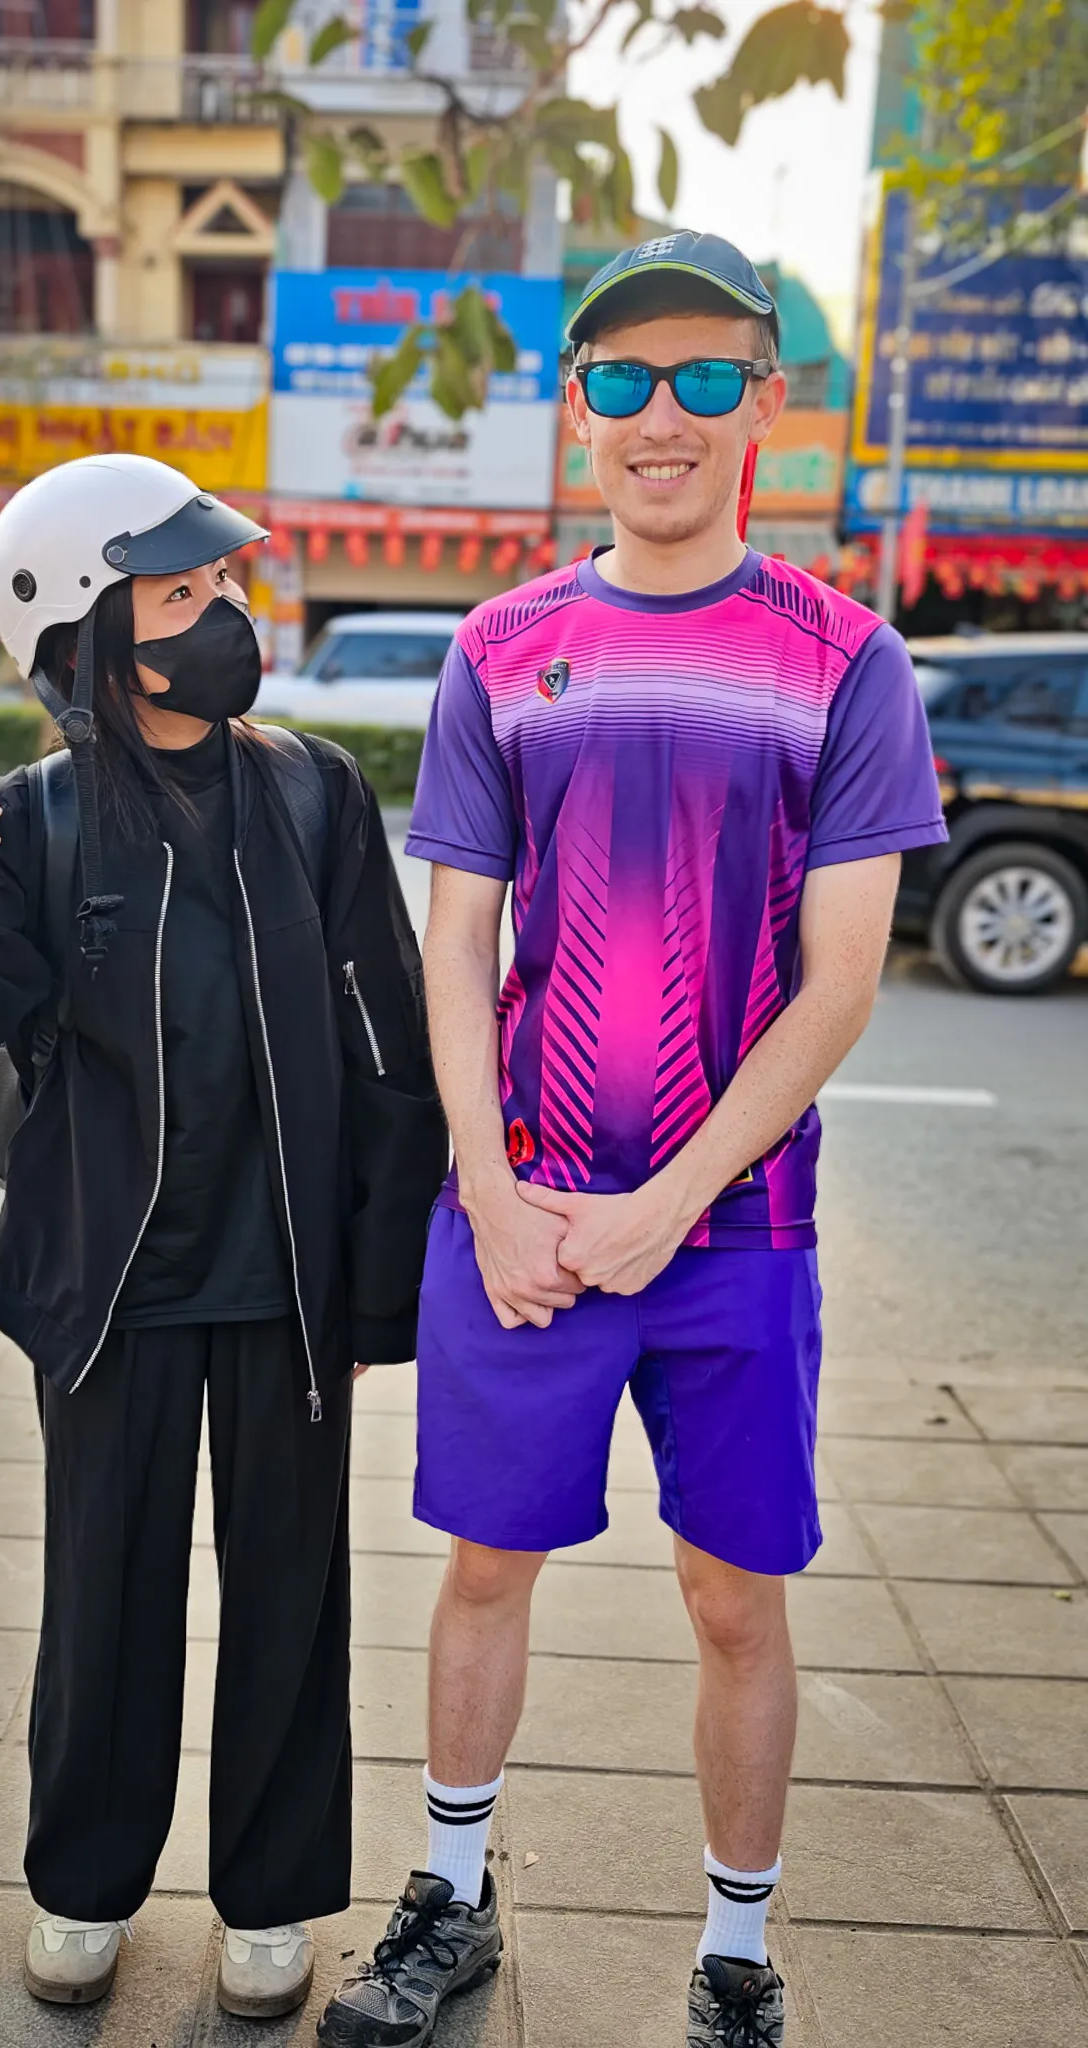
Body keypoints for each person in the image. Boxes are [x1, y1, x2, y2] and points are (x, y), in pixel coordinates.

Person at [318, 233, 948, 2048]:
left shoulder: (846, 658)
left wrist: (673, 1201)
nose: (660, 412)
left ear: (766, 402)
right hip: (520, 1218)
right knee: (484, 1570)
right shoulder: (503, 647)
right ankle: (450, 1899)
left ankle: (739, 1952)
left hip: (734, 1231)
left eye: (702, 375)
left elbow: (841, 980)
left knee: (735, 1600)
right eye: (619, 378)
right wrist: (490, 1189)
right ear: (577, 411)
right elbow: (457, 943)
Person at [0, 454, 447, 2022]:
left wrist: (378, 1297)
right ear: (90, 634)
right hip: (111, 1294)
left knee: (291, 1597)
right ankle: (83, 1886)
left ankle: (271, 1902)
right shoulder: (28, 824)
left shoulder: (315, 791)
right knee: (104, 1598)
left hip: (286, 1289)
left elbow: (389, 1049)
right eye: (179, 592)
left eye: (221, 582)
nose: (223, 611)